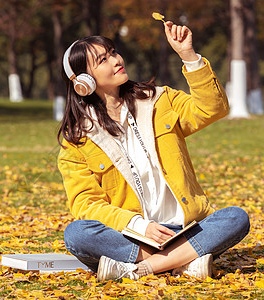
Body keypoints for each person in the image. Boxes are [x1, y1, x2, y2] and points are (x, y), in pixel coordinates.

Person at [57, 20, 250, 281]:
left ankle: (139, 269)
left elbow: (212, 109)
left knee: (235, 218)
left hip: (185, 229)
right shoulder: (78, 140)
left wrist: (188, 56)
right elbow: (86, 204)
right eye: (103, 59)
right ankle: (185, 262)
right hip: (132, 236)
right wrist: (140, 226)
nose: (115, 60)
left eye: (113, 52)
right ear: (84, 82)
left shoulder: (160, 100)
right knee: (77, 234)